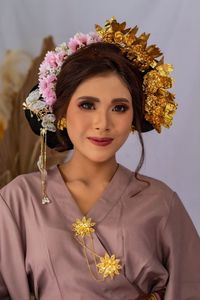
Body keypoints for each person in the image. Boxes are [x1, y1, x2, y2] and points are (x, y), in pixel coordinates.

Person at [0, 17, 199, 300]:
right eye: (87, 105)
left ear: (134, 117)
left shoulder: (162, 203)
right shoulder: (17, 200)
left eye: (119, 107)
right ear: (62, 112)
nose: (102, 123)